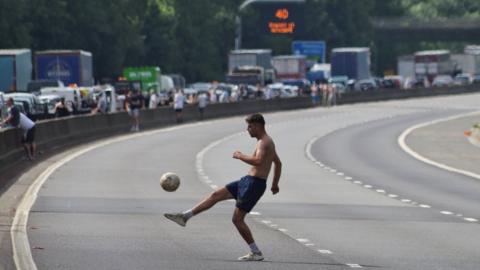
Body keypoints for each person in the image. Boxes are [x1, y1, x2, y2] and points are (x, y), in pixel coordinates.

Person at [164, 113, 282, 261]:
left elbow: (258, 161)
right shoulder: (263, 142)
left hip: (254, 185)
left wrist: (240, 156)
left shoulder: (265, 142)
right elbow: (277, 163)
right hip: (247, 181)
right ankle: (185, 216)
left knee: (237, 220)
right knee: (215, 195)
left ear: (258, 126)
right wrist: (275, 184)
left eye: (250, 126)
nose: (248, 129)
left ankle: (256, 252)